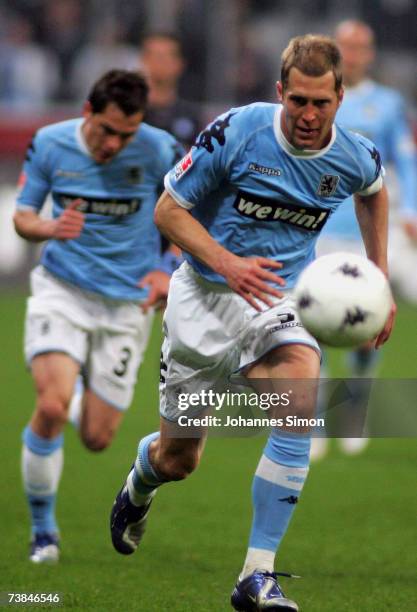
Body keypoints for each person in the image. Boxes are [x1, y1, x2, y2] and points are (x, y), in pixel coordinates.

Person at [109, 35, 395, 611]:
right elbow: (169, 210)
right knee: (179, 459)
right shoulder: (237, 131)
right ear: (279, 93)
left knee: (300, 394)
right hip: (203, 298)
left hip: (281, 298)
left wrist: (378, 279)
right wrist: (227, 262)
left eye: (321, 102)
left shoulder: (355, 153)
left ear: (341, 96)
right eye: (298, 102)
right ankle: (142, 480)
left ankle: (256, 575)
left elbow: (373, 193)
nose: (309, 115)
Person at [13, 69, 180, 564]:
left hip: (127, 303)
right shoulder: (49, 143)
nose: (114, 143)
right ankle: (44, 533)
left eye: (126, 134)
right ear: (87, 111)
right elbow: (22, 216)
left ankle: (79, 392)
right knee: (49, 405)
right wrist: (49, 226)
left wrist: (165, 270)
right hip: (61, 289)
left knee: (96, 438)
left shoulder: (161, 149)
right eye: (107, 130)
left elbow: (188, 211)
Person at [312, 19, 417, 459]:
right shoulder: (317, 98)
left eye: (360, 47)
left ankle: (354, 406)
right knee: (309, 326)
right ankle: (311, 420)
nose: (352, 55)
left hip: (364, 233)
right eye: (345, 46)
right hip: (316, 230)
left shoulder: (388, 105)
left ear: (369, 53)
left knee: (363, 327)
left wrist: (410, 209)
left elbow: (406, 161)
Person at [140, 31, 203, 149]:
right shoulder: (131, 113)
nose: (160, 63)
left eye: (166, 57)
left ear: (179, 64)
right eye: (156, 56)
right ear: (144, 61)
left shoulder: (191, 116)